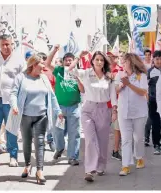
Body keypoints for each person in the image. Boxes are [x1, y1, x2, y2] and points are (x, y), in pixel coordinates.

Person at [6, 54, 63, 184]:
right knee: (26, 142)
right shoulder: (21, 77)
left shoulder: (44, 78)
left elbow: (52, 96)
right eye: (41, 63)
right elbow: (13, 94)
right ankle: (27, 165)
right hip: (25, 115)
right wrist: (14, 106)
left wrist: (58, 111)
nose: (44, 66)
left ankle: (40, 170)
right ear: (33, 65)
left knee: (40, 142)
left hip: (41, 116)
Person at [68, 51, 117, 182]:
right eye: (97, 59)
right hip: (88, 109)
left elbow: (112, 94)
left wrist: (114, 110)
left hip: (103, 110)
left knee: (103, 140)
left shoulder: (109, 77)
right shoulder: (85, 73)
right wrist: (78, 55)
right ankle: (89, 170)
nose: (99, 62)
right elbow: (70, 69)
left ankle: (101, 166)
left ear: (104, 62)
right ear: (92, 61)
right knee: (90, 139)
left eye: (102, 60)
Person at [46, 45, 85, 166]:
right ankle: (60, 148)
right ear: (63, 62)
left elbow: (83, 90)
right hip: (60, 109)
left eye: (70, 60)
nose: (68, 62)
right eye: (66, 60)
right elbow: (47, 63)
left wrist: (77, 78)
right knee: (57, 131)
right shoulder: (59, 71)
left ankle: (72, 156)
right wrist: (54, 50)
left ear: (74, 62)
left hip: (74, 107)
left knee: (75, 133)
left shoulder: (79, 73)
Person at [115, 53, 148, 176]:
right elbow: (115, 91)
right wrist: (121, 85)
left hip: (139, 112)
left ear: (132, 62)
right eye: (122, 61)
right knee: (126, 139)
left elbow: (143, 92)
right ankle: (125, 165)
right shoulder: (120, 75)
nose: (122, 63)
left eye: (125, 61)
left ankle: (139, 156)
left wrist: (129, 84)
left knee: (139, 138)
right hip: (123, 112)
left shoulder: (141, 76)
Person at [0, 34, 25, 167]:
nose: (6, 47)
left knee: (11, 129)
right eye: (3, 44)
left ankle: (13, 156)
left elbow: (24, 79)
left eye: (8, 44)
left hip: (11, 101)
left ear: (12, 44)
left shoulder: (18, 60)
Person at [147, 50, 161, 155]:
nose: (159, 61)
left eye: (160, 58)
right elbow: (145, 86)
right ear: (153, 60)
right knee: (156, 123)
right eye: (156, 59)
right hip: (153, 101)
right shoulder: (149, 72)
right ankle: (156, 145)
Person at [37, 52, 56, 152]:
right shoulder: (34, 71)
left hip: (49, 100)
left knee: (50, 121)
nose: (41, 62)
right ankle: (41, 142)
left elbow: (55, 85)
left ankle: (50, 140)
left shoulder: (50, 72)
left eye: (42, 59)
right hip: (37, 100)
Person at [107, 51, 122, 161]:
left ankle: (115, 150)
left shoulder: (121, 70)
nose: (112, 58)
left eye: (115, 56)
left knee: (118, 129)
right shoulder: (102, 70)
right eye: (110, 56)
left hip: (116, 104)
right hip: (103, 104)